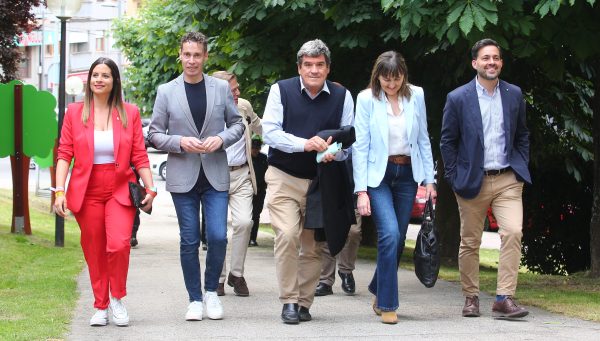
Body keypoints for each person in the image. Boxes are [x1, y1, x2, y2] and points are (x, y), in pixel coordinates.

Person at [148, 32, 244, 321]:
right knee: (189, 240)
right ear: (180, 54)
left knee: (217, 236)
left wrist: (221, 139)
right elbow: (154, 134)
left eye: (197, 55)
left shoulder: (220, 88)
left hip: (215, 173)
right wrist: (179, 142)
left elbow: (237, 124)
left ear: (205, 56)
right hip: (183, 175)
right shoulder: (166, 91)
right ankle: (194, 299)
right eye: (187, 54)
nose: (192, 60)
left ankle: (212, 292)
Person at [54, 57, 155, 327]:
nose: (99, 79)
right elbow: (64, 153)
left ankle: (118, 298)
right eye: (95, 74)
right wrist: (59, 191)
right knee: (95, 248)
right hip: (87, 189)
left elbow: (139, 155)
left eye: (105, 75)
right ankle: (100, 305)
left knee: (119, 244)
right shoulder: (74, 112)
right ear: (89, 80)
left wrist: (151, 187)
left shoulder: (129, 112)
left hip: (120, 187)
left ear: (114, 81)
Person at [262, 39, 354, 324]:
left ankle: (304, 303)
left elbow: (349, 140)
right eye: (308, 65)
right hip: (283, 177)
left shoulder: (342, 95)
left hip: (321, 181)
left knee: (313, 246)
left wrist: (332, 153)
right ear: (299, 67)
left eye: (320, 65)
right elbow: (270, 133)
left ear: (327, 68)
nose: (314, 70)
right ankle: (289, 300)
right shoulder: (281, 90)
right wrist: (306, 144)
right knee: (288, 235)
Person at [440, 38, 531, 319]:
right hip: (471, 180)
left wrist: (520, 166)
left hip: (507, 178)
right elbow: (447, 141)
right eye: (485, 58)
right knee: (470, 241)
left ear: (501, 63)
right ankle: (471, 297)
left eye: (496, 58)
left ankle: (504, 297)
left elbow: (523, 135)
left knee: (513, 232)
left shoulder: (514, 94)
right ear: (475, 63)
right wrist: (454, 176)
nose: (491, 62)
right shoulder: (458, 98)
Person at [352, 51, 436, 324]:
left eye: (396, 78)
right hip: (378, 175)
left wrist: (430, 180)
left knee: (398, 238)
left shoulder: (417, 95)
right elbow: (360, 144)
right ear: (378, 76)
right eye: (385, 79)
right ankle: (387, 304)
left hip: (408, 174)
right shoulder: (366, 99)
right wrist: (361, 190)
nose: (391, 84)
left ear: (404, 74)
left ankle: (378, 285)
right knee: (389, 233)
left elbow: (423, 137)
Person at [211, 70, 262, 297]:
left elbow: (261, 127)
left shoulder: (244, 106)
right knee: (217, 231)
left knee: (244, 223)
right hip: (215, 175)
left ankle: (236, 274)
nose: (238, 93)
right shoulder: (207, 110)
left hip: (241, 174)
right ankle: (219, 278)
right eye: (233, 90)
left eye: (237, 88)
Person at [315, 156, 362, 296]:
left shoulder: (360, 138)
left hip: (354, 192)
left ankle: (346, 270)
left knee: (354, 232)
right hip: (329, 189)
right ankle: (325, 281)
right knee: (327, 233)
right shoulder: (328, 135)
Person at [249, 136, 268, 247]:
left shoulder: (263, 158)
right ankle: (246, 238)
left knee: (256, 215)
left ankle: (253, 238)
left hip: (260, 191)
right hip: (248, 190)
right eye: (253, 147)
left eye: (257, 147)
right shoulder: (246, 158)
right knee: (247, 216)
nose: (255, 150)